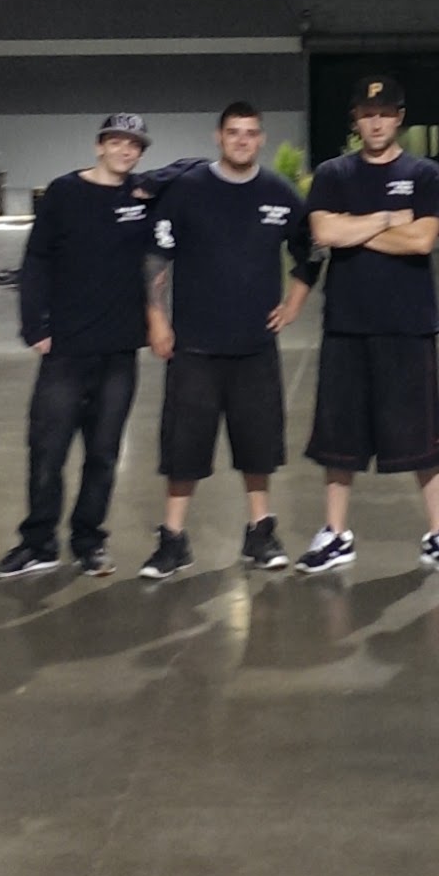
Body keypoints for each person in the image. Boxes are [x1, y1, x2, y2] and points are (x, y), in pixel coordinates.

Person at [138, 102, 321, 580]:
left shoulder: (279, 194)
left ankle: (260, 532)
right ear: (218, 137)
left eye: (250, 132)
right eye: (234, 132)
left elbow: (310, 250)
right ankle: (173, 539)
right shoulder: (187, 190)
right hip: (193, 347)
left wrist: (295, 303)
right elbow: (156, 256)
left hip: (255, 347)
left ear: (261, 139)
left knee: (257, 447)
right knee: (183, 449)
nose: (242, 140)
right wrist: (156, 319)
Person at [296, 73, 439, 577]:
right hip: (346, 325)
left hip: (408, 326)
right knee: (339, 437)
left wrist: (353, 227)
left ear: (400, 119)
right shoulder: (333, 173)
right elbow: (323, 231)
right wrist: (389, 219)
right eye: (367, 114)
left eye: (385, 114)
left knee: (424, 436)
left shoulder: (425, 174)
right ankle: (335, 535)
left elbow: (421, 241)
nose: (376, 122)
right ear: (356, 119)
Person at [0, 113, 153, 581]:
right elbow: (37, 259)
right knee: (47, 451)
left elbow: (188, 174)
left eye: (134, 145)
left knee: (103, 454)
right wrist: (34, 325)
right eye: (117, 142)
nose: (125, 150)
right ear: (99, 145)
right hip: (66, 349)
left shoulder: (144, 196)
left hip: (119, 351)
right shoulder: (64, 193)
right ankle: (38, 543)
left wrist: (153, 182)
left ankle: (89, 540)